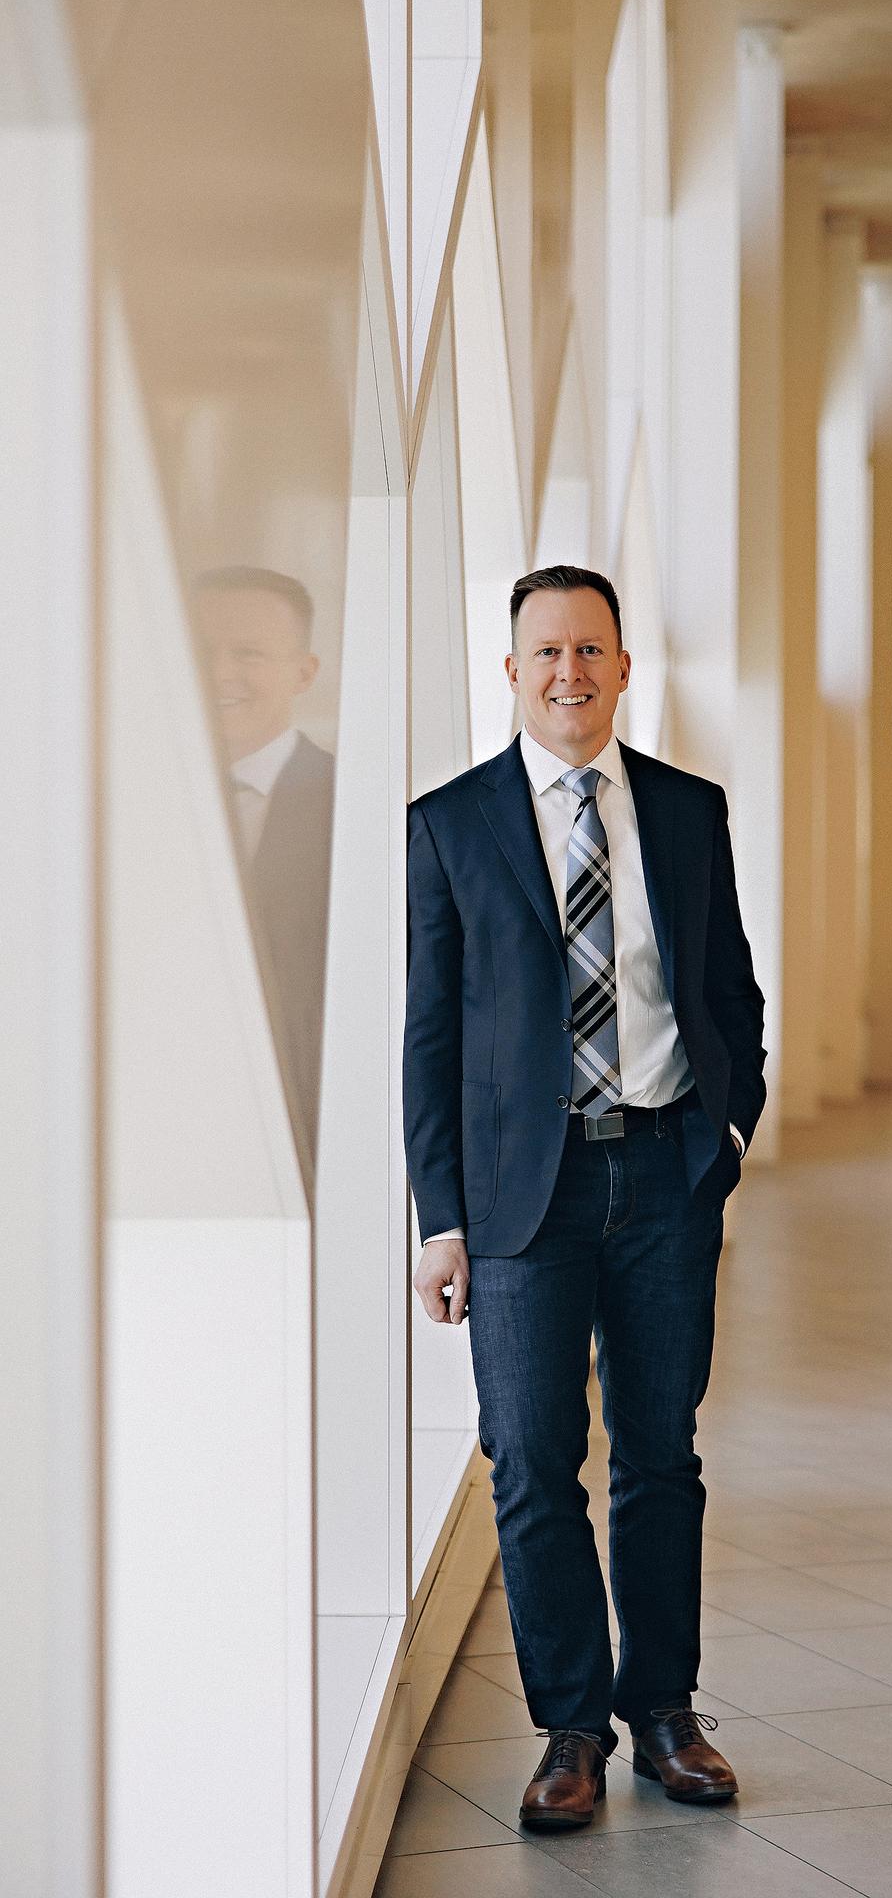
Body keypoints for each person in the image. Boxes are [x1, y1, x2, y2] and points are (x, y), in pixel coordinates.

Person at [403, 565, 766, 1830]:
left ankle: (664, 1710)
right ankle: (570, 1724)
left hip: (663, 1170)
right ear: (512, 671)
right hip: (520, 1200)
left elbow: (731, 988)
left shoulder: (684, 808)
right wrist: (438, 1217)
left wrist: (726, 1128)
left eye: (591, 650)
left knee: (660, 1454)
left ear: (623, 667)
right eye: (546, 650)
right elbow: (430, 1034)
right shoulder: (449, 822)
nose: (570, 671)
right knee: (528, 1458)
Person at [193, 565, 335, 1165]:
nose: (220, 672)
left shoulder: (354, 807)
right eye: (202, 651)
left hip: (304, 1134)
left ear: (303, 673)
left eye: (248, 653)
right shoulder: (122, 802)